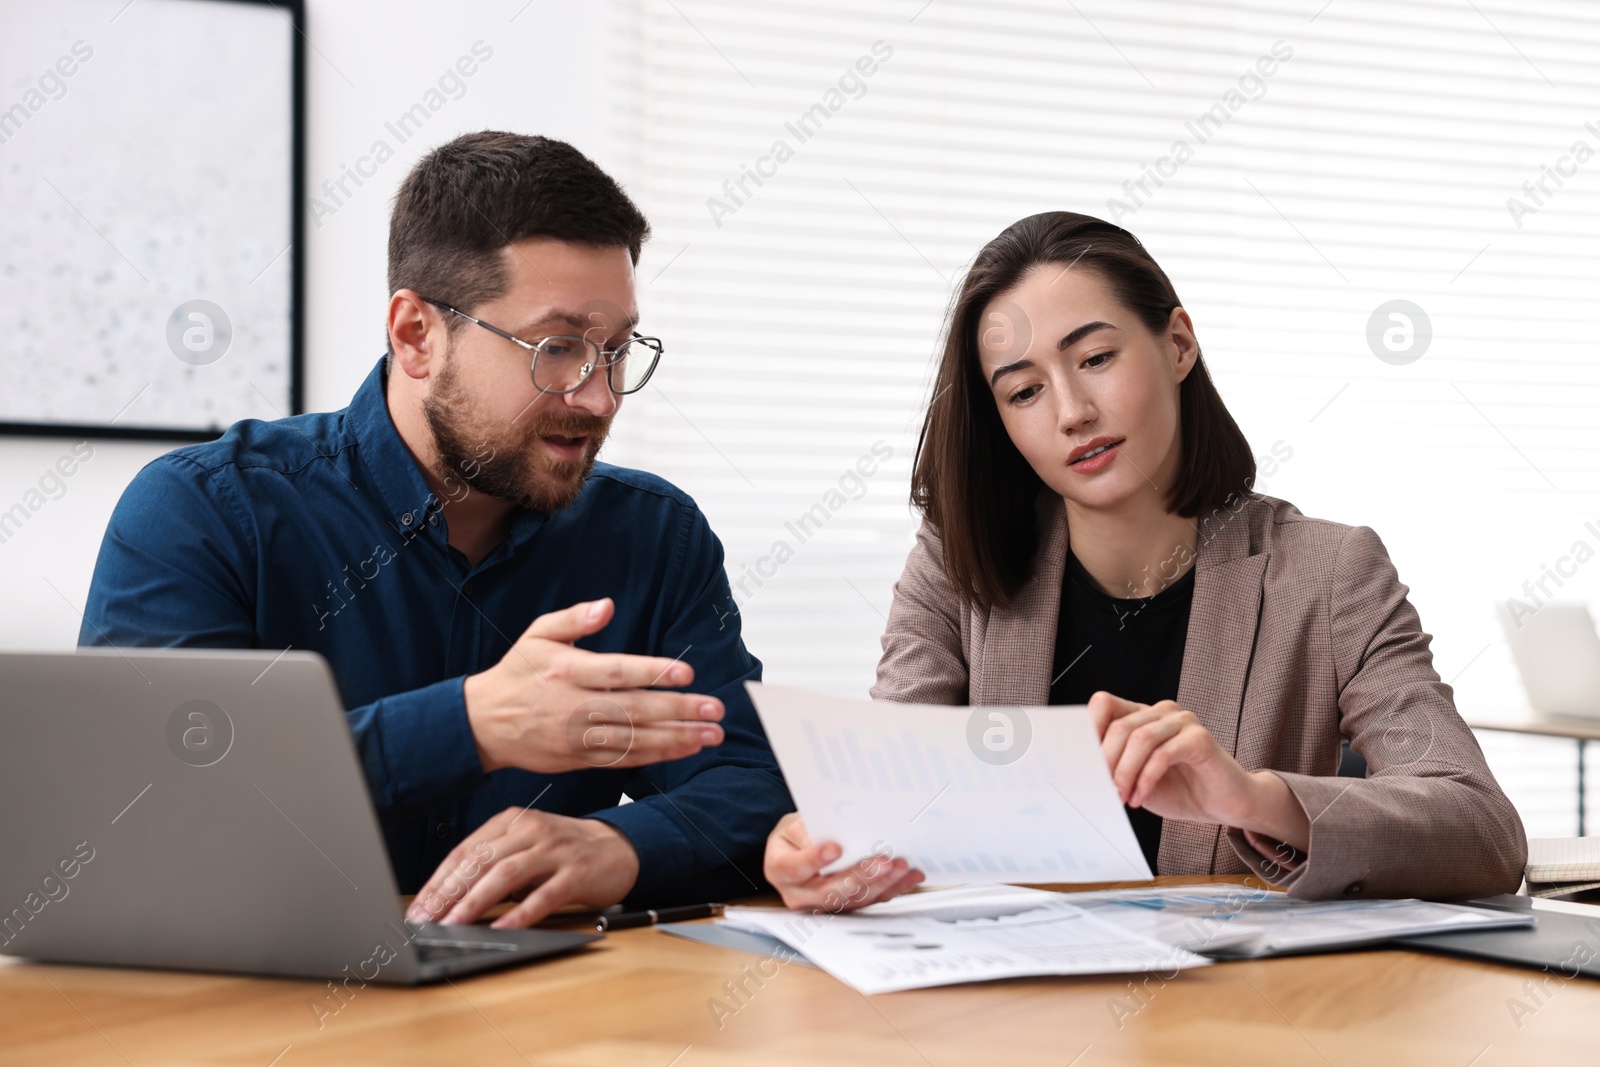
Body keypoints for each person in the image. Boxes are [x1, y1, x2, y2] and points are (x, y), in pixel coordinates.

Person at [80, 131, 790, 927]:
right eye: (556, 348)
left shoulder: (655, 536)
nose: (598, 397)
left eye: (616, 350)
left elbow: (755, 781)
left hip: (553, 1018)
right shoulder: (205, 511)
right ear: (417, 335)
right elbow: (150, 805)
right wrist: (472, 724)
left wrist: (620, 846)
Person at [765, 211, 1527, 907]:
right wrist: (828, 850)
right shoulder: (956, 563)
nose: (1071, 412)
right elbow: (895, 802)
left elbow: (1483, 831)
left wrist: (1254, 798)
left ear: (1178, 344)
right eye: (1024, 391)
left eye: (1095, 357)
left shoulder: (1329, 571)